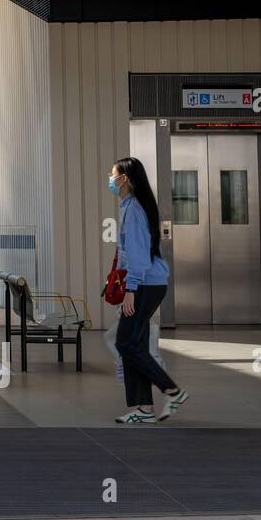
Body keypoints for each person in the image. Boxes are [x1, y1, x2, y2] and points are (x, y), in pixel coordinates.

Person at [109, 157, 189, 423]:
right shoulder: (131, 206)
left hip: (145, 284)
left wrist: (130, 289)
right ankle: (143, 409)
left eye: (113, 175)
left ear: (125, 179)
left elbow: (139, 256)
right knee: (134, 344)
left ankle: (171, 390)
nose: (110, 180)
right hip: (147, 283)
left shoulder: (134, 210)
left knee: (126, 342)